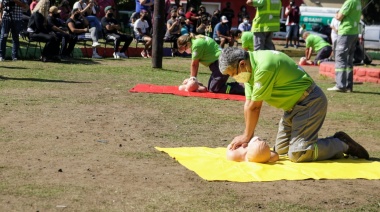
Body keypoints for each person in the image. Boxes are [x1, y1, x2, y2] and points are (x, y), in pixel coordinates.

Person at [218, 47, 370, 162]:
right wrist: (247, 136)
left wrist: (246, 136)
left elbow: (255, 107)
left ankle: (341, 144)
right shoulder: (250, 68)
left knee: (299, 153)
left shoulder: (263, 66)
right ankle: (317, 145)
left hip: (310, 102)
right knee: (281, 152)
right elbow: (249, 104)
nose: (233, 78)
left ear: (242, 64)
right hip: (292, 109)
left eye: (232, 73)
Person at [177, 33, 245, 95]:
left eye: (184, 49)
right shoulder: (198, 39)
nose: (186, 51)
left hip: (221, 63)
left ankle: (242, 88)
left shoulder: (196, 44)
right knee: (211, 88)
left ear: (187, 43)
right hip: (221, 61)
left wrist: (192, 79)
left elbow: (194, 64)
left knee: (215, 89)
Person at [328, 0, 362, 93]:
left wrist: (336, 15)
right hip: (354, 32)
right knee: (349, 60)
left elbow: (339, 17)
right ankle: (348, 86)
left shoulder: (349, 1)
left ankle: (340, 85)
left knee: (340, 58)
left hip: (345, 33)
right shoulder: (358, 2)